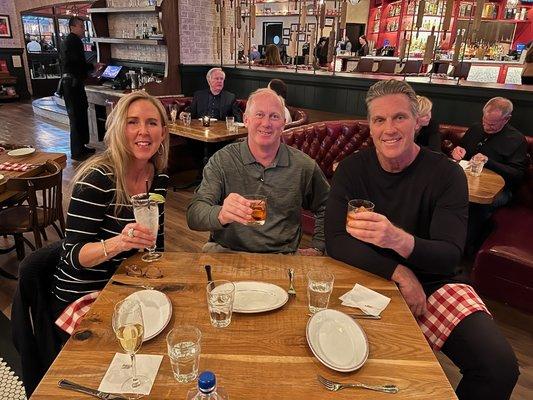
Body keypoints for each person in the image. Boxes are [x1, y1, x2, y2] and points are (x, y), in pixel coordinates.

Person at [325, 80, 518, 400]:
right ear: (370, 127)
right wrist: (399, 273)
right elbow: (335, 240)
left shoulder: (446, 174)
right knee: (356, 365)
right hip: (369, 274)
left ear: (418, 121)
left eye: (399, 117)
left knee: (498, 367)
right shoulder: (351, 169)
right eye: (379, 120)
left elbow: (448, 255)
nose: (389, 128)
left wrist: (397, 239)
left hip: (437, 282)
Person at [52, 91, 169, 310]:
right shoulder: (97, 179)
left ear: (162, 133)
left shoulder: (159, 177)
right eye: (132, 122)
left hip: (129, 283)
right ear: (118, 129)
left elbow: (156, 244)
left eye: (152, 123)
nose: (143, 131)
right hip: (85, 293)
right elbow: (72, 256)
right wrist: (120, 243)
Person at [187, 88, 329, 255]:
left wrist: (318, 247)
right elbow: (194, 214)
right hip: (227, 253)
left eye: (274, 116)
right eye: (259, 115)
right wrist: (221, 214)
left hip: (282, 256)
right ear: (246, 120)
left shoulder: (303, 165)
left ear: (284, 123)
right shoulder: (222, 160)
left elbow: (327, 206)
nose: (266, 123)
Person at [451, 97, 527, 252]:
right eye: (485, 120)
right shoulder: (475, 128)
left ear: (506, 119)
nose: (486, 126)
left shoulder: (517, 139)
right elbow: (463, 151)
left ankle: (462, 251)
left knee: (476, 206)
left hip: (500, 191)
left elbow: (517, 174)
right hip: (468, 182)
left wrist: (489, 161)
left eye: (492, 124)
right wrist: (457, 151)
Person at [60, 16, 95, 161]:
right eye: (81, 26)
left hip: (71, 83)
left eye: (83, 26)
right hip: (72, 84)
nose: (83, 29)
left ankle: (81, 147)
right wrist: (93, 66)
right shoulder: (73, 41)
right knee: (76, 117)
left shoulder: (69, 41)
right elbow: (77, 63)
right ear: (72, 27)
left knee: (79, 115)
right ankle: (77, 152)